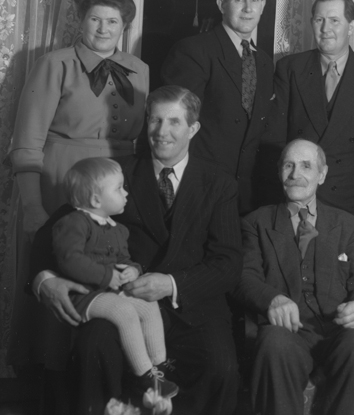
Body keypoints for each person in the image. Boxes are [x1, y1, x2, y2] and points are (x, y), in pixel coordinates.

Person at [32, 86, 242, 415]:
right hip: (122, 301)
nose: (161, 131)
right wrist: (45, 280)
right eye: (155, 120)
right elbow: (51, 233)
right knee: (93, 346)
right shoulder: (115, 174)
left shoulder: (219, 183)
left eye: (174, 122)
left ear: (193, 128)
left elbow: (227, 263)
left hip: (192, 307)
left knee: (221, 367)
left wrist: (171, 284)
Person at [234, 139, 354, 415]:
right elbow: (244, 277)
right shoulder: (256, 223)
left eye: (306, 166)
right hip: (288, 331)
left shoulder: (347, 225)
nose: (295, 174)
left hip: (338, 330)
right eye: (288, 166)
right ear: (279, 171)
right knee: (274, 343)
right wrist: (272, 299)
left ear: (322, 174)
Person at [9, 0, 148, 236]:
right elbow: (27, 144)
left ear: (125, 26)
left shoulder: (139, 69)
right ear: (81, 21)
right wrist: (32, 207)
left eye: (112, 21)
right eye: (95, 19)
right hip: (62, 181)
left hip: (119, 186)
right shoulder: (54, 64)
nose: (103, 29)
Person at [52, 157, 177, 398]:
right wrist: (107, 276)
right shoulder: (74, 223)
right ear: (96, 200)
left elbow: (124, 259)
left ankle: (158, 367)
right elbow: (69, 259)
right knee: (124, 311)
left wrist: (133, 270)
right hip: (85, 295)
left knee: (148, 305)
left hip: (110, 292)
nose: (126, 193)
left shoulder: (118, 229)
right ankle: (143, 376)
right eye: (119, 188)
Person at [274, 0, 354, 220]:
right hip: (294, 202)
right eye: (319, 20)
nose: (325, 29)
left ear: (351, 27)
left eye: (334, 20)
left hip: (347, 207)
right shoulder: (290, 68)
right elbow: (275, 143)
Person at [161, 0, 275, 214]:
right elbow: (175, 128)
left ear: (263, 5)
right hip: (201, 187)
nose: (248, 8)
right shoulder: (194, 51)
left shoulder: (264, 62)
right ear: (222, 5)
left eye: (254, 0)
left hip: (246, 193)